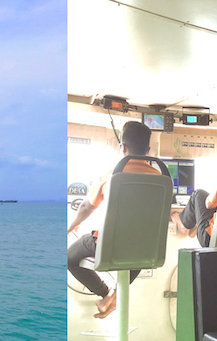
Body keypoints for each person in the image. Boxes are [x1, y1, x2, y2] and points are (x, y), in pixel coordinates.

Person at [67, 121, 160, 319]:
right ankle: (117, 295)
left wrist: (73, 224)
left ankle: (106, 293)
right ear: (148, 149)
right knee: (136, 248)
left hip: (110, 245)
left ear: (123, 147)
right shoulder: (160, 177)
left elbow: (86, 207)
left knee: (69, 257)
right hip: (146, 249)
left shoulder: (112, 175)